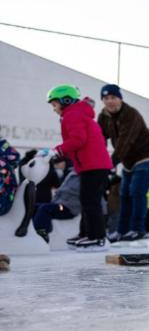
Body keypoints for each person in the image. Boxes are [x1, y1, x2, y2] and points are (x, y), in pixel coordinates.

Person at [44, 85, 113, 251]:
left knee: (91, 201)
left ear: (65, 101)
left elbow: (78, 140)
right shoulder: (76, 114)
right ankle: (87, 233)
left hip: (94, 166)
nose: (54, 109)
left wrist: (56, 151)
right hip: (90, 165)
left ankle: (98, 238)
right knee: (86, 200)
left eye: (55, 105)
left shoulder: (73, 115)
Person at [97, 84, 149, 241]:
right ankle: (121, 230)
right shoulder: (103, 116)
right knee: (124, 194)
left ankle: (138, 229)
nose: (110, 101)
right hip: (127, 161)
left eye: (113, 97)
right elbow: (99, 140)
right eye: (106, 98)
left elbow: (125, 142)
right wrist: (98, 160)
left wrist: (109, 165)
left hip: (146, 156)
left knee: (137, 191)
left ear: (120, 98)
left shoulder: (130, 114)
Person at [32, 168, 81, 242]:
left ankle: (42, 234)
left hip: (69, 207)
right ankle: (31, 232)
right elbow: (61, 189)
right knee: (34, 207)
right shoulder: (72, 174)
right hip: (59, 204)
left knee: (45, 208)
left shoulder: (84, 177)